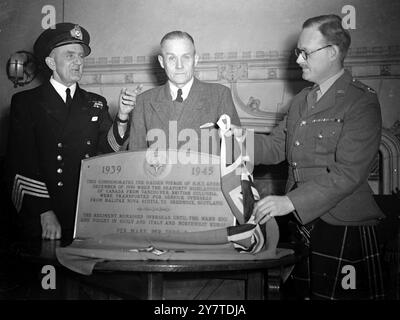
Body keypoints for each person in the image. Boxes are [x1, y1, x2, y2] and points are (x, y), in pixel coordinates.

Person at [251, 15, 385, 299]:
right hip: (302, 224)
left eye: (305, 52)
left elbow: (348, 173)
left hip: (342, 226)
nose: (299, 59)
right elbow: (276, 145)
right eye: (297, 52)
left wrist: (289, 201)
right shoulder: (301, 100)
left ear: (333, 52)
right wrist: (231, 139)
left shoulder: (361, 100)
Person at [4, 23, 139, 241]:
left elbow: (106, 152)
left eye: (81, 56)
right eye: (70, 55)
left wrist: (122, 116)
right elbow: (20, 164)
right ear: (50, 62)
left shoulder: (96, 102)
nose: (78, 61)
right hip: (44, 212)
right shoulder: (26, 102)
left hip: (86, 209)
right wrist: (44, 212)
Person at [122, 30, 240, 153]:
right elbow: (135, 160)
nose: (179, 66)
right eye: (172, 58)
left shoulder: (219, 95)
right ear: (162, 62)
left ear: (195, 59)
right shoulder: (143, 102)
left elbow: (235, 155)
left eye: (186, 57)